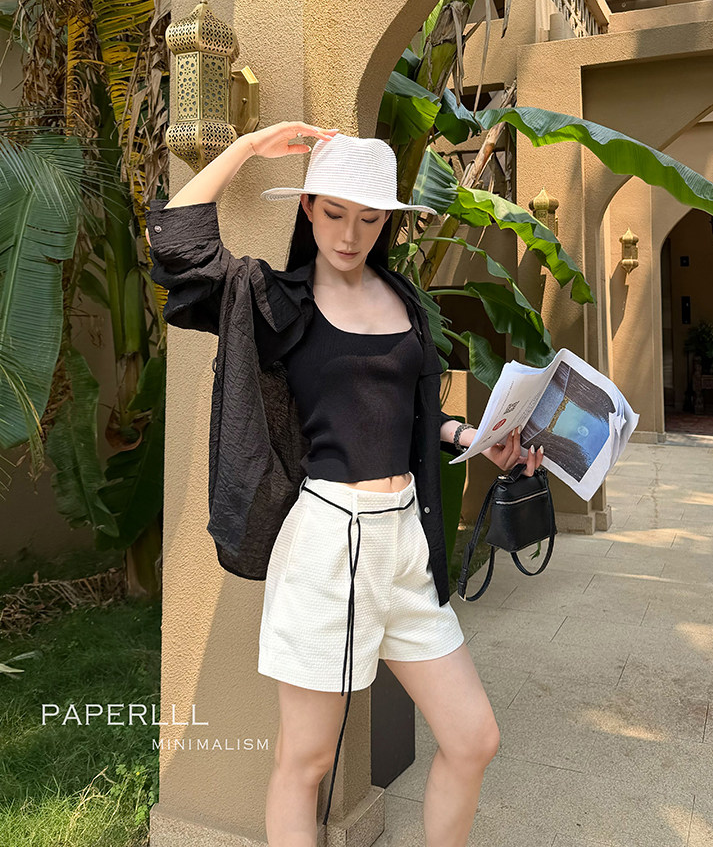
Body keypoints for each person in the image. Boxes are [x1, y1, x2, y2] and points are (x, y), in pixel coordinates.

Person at [146, 120, 543, 847]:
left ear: (387, 220)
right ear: (307, 207)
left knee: (473, 737)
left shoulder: (402, 299)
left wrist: (474, 440)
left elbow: (408, 413)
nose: (350, 234)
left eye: (369, 218)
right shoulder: (276, 301)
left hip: (405, 543)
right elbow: (178, 245)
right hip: (329, 542)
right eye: (333, 213)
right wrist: (250, 147)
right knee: (306, 763)